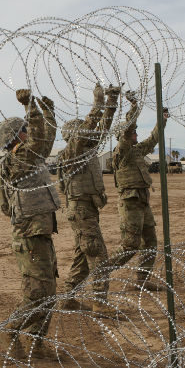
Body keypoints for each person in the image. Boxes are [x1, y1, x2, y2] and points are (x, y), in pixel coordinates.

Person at [0, 89, 61, 359]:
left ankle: (36, 343)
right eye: (25, 129)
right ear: (17, 136)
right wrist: (31, 108)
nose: (29, 132)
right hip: (29, 235)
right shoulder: (19, 160)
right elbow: (40, 139)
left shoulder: (30, 157)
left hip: (39, 232)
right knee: (37, 295)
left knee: (48, 293)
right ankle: (9, 332)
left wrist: (48, 113)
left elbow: (44, 139)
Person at [55, 84, 121, 313]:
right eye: (85, 133)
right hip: (81, 210)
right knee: (98, 253)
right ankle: (100, 304)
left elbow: (102, 128)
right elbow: (90, 128)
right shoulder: (72, 152)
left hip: (86, 210)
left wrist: (111, 103)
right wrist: (98, 104)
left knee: (83, 255)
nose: (91, 135)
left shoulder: (84, 151)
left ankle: (68, 297)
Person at [108, 91, 168, 291]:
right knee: (130, 244)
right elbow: (128, 129)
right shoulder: (122, 152)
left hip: (142, 200)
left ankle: (142, 280)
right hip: (130, 201)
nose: (136, 134)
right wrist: (133, 107)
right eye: (134, 132)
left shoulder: (136, 150)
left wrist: (162, 120)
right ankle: (103, 271)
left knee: (150, 241)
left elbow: (153, 138)